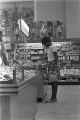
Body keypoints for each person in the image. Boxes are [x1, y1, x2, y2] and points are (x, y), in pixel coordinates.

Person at [41, 36, 58, 103]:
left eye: (44, 44)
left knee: (54, 82)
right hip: (51, 65)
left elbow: (56, 57)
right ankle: (53, 98)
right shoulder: (48, 48)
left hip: (53, 65)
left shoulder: (52, 47)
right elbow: (49, 57)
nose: (44, 45)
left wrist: (54, 65)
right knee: (53, 81)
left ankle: (53, 98)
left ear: (47, 42)